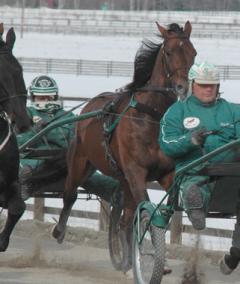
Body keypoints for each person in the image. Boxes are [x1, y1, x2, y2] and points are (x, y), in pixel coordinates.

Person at [159, 61, 240, 274]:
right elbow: (167, 144)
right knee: (195, 185)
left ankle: (235, 252)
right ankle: (195, 203)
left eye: (212, 85)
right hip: (195, 170)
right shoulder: (177, 111)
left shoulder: (232, 110)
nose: (208, 89)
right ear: (193, 84)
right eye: (203, 85)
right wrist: (190, 140)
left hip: (232, 173)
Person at [17, 75, 76, 173]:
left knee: (102, 180)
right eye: (41, 97)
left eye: (49, 97)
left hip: (64, 161)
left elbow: (72, 142)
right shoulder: (26, 114)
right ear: (33, 97)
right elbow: (17, 142)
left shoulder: (68, 115)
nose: (46, 100)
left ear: (55, 96)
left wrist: (49, 131)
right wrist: (35, 131)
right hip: (32, 161)